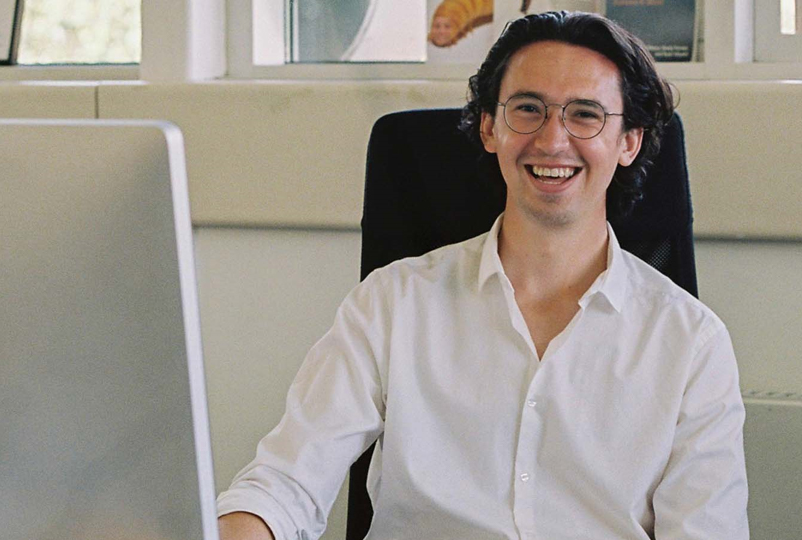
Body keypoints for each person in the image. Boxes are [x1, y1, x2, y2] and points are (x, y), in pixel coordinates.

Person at [218, 11, 749, 540]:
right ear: (490, 127)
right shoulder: (392, 303)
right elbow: (284, 484)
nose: (552, 140)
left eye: (585, 115)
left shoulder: (692, 343)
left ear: (628, 142)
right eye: (527, 109)